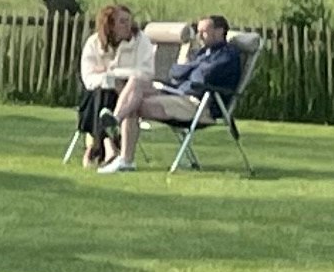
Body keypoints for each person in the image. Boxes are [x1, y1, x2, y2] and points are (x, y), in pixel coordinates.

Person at [101, 15, 248, 171]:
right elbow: (175, 72)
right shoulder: (203, 53)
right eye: (198, 31)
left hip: (199, 104)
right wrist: (192, 68)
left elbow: (201, 77)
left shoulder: (228, 55)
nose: (199, 36)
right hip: (178, 94)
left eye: (204, 32)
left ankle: (125, 159)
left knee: (134, 104)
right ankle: (116, 120)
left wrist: (188, 68)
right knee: (136, 81)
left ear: (219, 31)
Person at [73, 3, 148, 166]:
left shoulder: (140, 41)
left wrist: (112, 73)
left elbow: (145, 72)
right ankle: (108, 145)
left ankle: (97, 147)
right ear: (110, 24)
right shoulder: (93, 43)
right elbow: (88, 78)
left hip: (126, 97)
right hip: (99, 95)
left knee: (102, 96)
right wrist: (109, 79)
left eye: (129, 21)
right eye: (122, 21)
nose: (128, 25)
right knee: (101, 92)